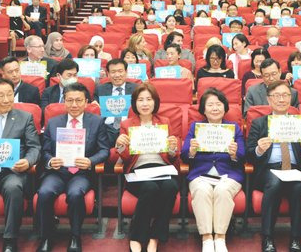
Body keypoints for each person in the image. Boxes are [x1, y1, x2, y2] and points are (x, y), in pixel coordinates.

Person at [36, 83, 109, 252]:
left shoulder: (97, 121)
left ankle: (75, 236)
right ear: (64, 101)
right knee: (44, 192)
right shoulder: (53, 123)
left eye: (78, 100)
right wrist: (50, 161)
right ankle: (46, 236)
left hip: (81, 172)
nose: (74, 105)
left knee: (76, 193)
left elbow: (104, 150)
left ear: (86, 102)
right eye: (70, 100)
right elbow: (45, 150)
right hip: (57, 171)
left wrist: (90, 161)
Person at [246, 80, 301, 252]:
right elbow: (249, 154)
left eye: (285, 95)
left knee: (299, 187)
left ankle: (295, 238)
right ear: (269, 100)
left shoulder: (300, 123)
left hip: (293, 169)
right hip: (268, 170)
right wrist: (259, 150)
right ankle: (267, 237)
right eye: (277, 96)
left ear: (290, 99)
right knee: (274, 181)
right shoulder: (259, 123)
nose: (281, 99)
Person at [114, 83, 179, 252]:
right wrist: (120, 146)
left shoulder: (164, 122)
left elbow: (173, 156)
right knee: (150, 188)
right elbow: (126, 158)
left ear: (155, 102)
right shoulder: (127, 124)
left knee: (171, 186)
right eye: (140, 100)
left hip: (162, 168)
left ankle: (154, 237)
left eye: (148, 99)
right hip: (138, 171)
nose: (144, 103)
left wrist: (172, 147)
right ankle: (136, 236)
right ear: (134, 103)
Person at [0, 78, 40, 252]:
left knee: (13, 187)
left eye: (9, 94)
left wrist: (27, 161)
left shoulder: (24, 117)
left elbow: (34, 147)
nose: (7, 99)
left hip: (13, 172)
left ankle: (10, 240)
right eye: (1, 95)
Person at [181, 89, 245, 252]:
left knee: (222, 191)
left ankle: (220, 237)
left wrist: (234, 154)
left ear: (225, 108)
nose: (215, 108)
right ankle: (207, 237)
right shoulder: (196, 127)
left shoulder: (233, 127)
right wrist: (192, 151)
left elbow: (243, 155)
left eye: (219, 104)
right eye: (210, 105)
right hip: (201, 173)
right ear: (203, 109)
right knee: (202, 190)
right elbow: (184, 155)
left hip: (228, 173)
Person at [93, 58, 138, 144]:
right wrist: (95, 106)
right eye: (113, 72)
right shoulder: (100, 89)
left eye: (120, 71)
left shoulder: (136, 88)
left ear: (126, 72)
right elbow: (95, 110)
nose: (117, 75)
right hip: (106, 129)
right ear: (108, 74)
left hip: (129, 127)